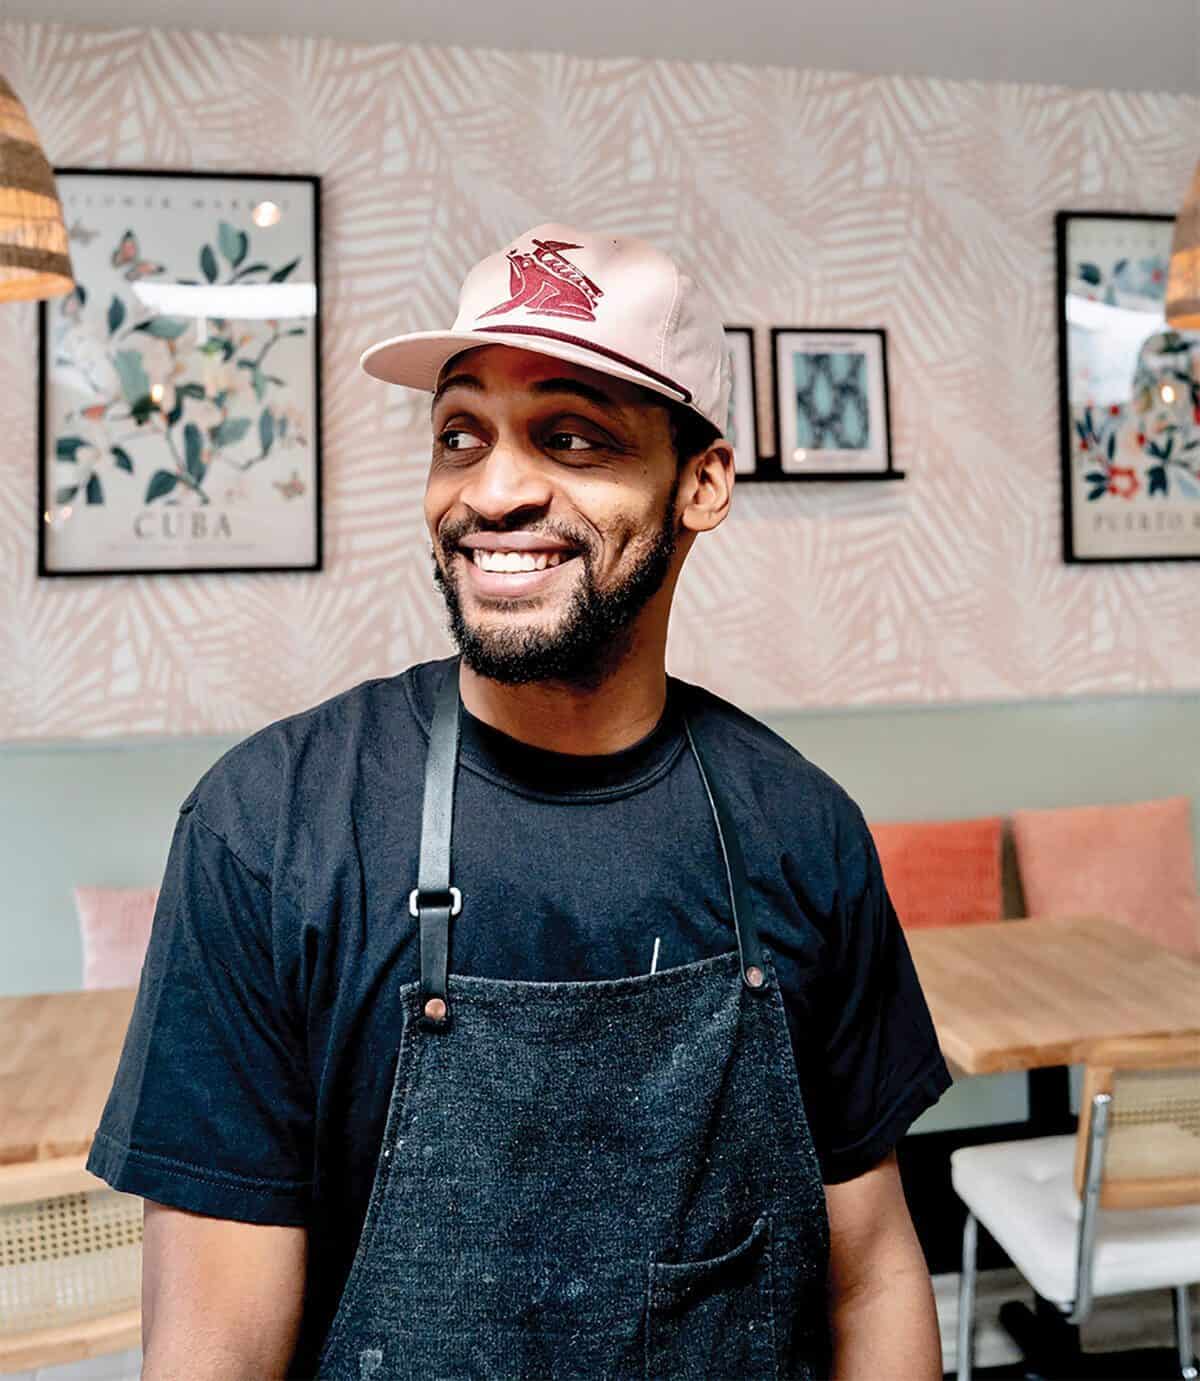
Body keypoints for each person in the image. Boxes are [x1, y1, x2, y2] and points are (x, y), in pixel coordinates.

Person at [87, 223, 952, 1379]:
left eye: (573, 436)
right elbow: (213, 1348)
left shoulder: (802, 829)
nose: (493, 490)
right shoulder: (269, 829)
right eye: (461, 434)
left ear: (701, 483)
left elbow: (875, 1267)